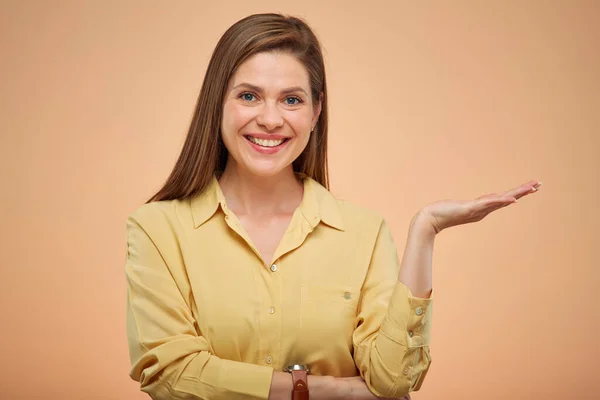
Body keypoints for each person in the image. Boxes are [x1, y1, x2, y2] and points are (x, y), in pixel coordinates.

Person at [124, 13, 542, 400]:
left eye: (291, 100)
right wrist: (324, 389)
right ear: (217, 102)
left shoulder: (365, 232)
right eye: (249, 96)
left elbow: (392, 379)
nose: (271, 119)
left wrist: (425, 229)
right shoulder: (157, 229)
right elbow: (171, 373)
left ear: (316, 111)